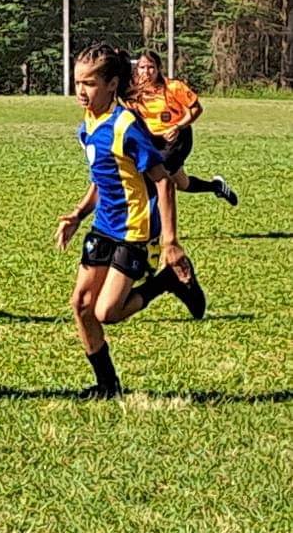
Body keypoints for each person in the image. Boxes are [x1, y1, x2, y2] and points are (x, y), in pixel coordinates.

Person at [55, 44, 206, 400]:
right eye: (77, 82)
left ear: (112, 83)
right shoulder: (88, 125)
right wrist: (77, 214)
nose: (80, 91)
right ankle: (108, 386)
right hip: (104, 225)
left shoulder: (127, 127)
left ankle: (167, 282)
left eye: (89, 83)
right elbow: (104, 178)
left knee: (107, 311)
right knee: (80, 305)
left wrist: (170, 241)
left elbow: (163, 180)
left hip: (135, 230)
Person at [129, 50, 237, 206]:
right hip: (153, 141)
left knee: (154, 177)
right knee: (182, 183)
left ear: (158, 68)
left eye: (151, 67)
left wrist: (178, 127)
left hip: (177, 140)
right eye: (142, 67)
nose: (146, 72)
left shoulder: (173, 87)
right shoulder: (133, 91)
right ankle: (216, 187)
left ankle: (155, 226)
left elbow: (196, 109)